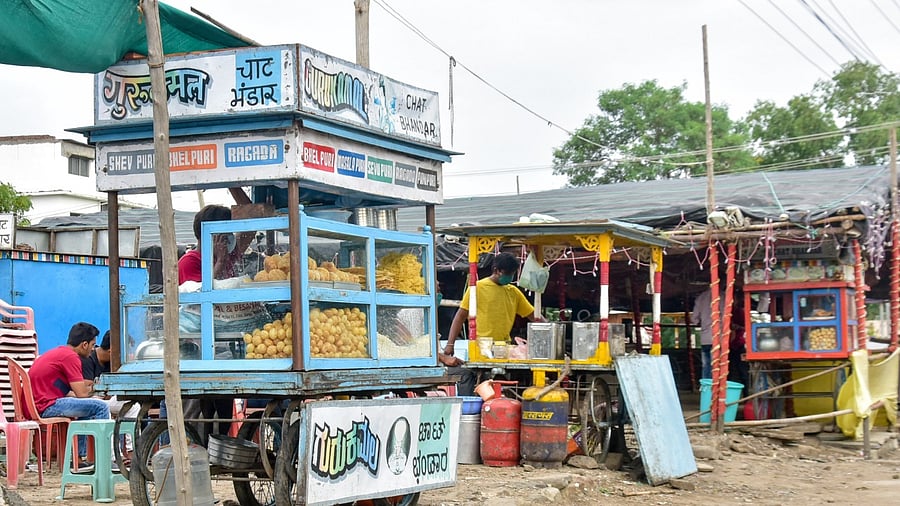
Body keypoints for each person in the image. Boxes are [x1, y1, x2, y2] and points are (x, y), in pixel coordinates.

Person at [29, 322, 110, 470]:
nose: (93, 349)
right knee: (101, 406)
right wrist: (98, 387)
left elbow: (70, 392)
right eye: (93, 345)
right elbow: (82, 394)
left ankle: (78, 458)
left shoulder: (59, 353)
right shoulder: (71, 357)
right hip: (47, 406)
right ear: (84, 344)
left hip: (39, 404)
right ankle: (104, 459)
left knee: (89, 408)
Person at [443, 252, 542, 356]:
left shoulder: (514, 292)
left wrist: (550, 329)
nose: (510, 277)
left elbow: (535, 316)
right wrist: (450, 344)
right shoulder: (477, 288)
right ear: (496, 270)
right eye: (507, 274)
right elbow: (460, 317)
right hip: (481, 349)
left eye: (512, 274)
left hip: (504, 349)